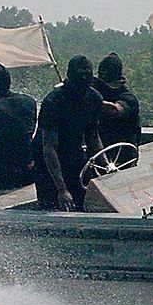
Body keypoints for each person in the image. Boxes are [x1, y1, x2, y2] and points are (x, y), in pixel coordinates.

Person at [33, 55, 104, 211]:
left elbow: (93, 136)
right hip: (49, 162)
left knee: (81, 202)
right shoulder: (53, 102)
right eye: (80, 75)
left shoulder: (94, 98)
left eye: (88, 74)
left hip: (75, 155)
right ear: (70, 76)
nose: (85, 79)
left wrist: (106, 167)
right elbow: (49, 147)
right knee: (53, 206)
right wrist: (62, 189)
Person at [92, 52, 141, 147]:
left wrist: (89, 101)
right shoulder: (95, 93)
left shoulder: (128, 98)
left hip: (121, 154)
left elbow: (114, 110)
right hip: (97, 151)